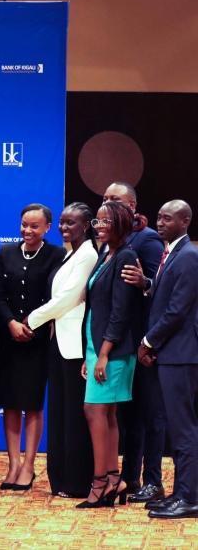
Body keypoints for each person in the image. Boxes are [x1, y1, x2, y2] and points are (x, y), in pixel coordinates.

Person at [27, 203, 98, 498]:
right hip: (58, 342)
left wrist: (31, 320)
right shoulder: (70, 253)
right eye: (62, 222)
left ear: (87, 225)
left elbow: (69, 298)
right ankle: (61, 479)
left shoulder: (89, 255)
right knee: (59, 413)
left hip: (76, 347)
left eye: (71, 223)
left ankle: (78, 481)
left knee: (74, 417)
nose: (64, 227)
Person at [0, 203, 64, 491]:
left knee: (32, 403)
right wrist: (10, 322)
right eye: (24, 224)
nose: (28, 230)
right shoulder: (6, 252)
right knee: (10, 402)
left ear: (47, 227)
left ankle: (29, 465)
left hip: (37, 340)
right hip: (7, 338)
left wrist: (31, 324)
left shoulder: (57, 255)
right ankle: (13, 464)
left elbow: (57, 297)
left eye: (34, 226)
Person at [104, 182, 168, 504]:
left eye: (115, 199)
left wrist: (145, 282)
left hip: (146, 341)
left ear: (131, 206)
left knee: (151, 414)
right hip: (124, 343)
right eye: (105, 199)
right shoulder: (112, 242)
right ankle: (130, 478)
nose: (108, 203)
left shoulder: (147, 239)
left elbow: (162, 286)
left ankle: (153, 481)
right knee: (130, 417)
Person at [135, 200, 198, 518]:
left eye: (168, 218)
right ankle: (181, 492)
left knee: (184, 429)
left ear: (185, 221)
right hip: (172, 352)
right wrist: (147, 285)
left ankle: (190, 498)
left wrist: (148, 341)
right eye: (159, 217)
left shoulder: (188, 256)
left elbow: (177, 309)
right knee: (178, 427)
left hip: (181, 353)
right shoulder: (171, 253)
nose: (160, 223)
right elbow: (165, 295)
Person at [78, 200, 142, 508]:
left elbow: (120, 311)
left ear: (120, 224)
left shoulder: (126, 255)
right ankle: (114, 479)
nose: (99, 226)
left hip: (113, 349)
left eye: (106, 221)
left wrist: (103, 354)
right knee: (106, 413)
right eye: (97, 221)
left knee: (94, 410)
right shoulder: (106, 253)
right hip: (97, 345)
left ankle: (101, 482)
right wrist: (90, 355)